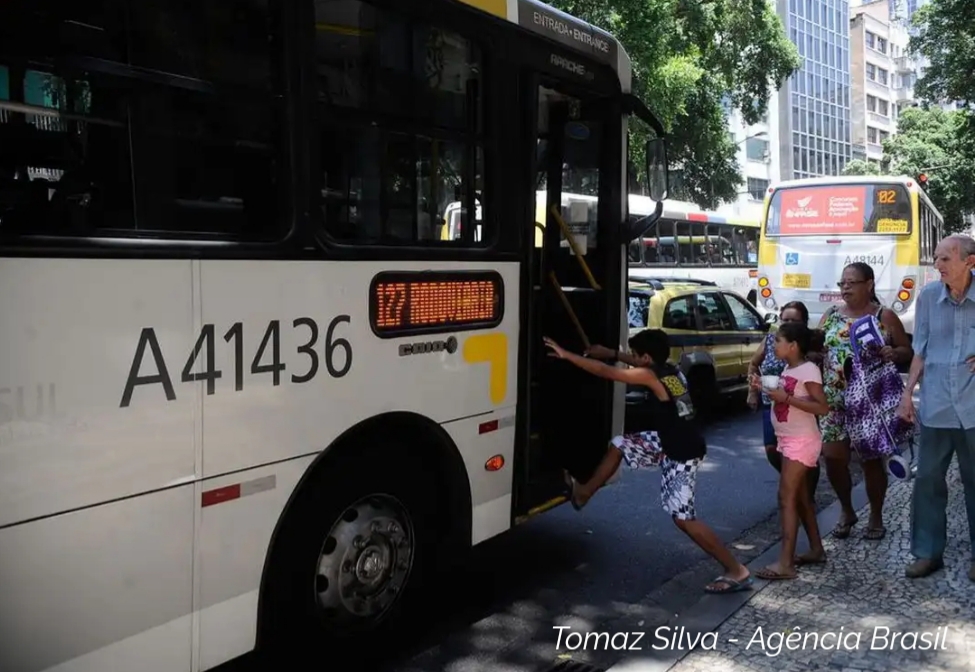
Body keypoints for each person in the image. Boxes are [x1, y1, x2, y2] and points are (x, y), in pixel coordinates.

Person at [546, 331, 753, 594]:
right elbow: (636, 364)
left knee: (683, 519)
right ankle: (584, 492)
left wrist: (567, 355)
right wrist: (611, 353)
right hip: (672, 438)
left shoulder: (650, 374)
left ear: (646, 357)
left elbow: (606, 373)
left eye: (634, 355)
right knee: (620, 444)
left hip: (681, 450)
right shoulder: (671, 369)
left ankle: (736, 570)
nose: (630, 359)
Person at [897, 234, 975, 580]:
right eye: (937, 258)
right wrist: (906, 395)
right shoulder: (928, 297)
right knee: (927, 479)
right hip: (936, 407)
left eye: (945, 259)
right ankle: (927, 553)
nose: (938, 265)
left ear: (969, 261)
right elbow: (920, 351)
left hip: (973, 408)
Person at [818, 262, 913, 540]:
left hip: (870, 404)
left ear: (868, 284)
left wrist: (894, 353)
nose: (845, 287)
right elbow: (817, 347)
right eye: (842, 283)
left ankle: (876, 515)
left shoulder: (884, 316)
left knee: (871, 462)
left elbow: (907, 351)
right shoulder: (832, 316)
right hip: (835, 400)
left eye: (851, 282)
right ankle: (847, 510)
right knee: (834, 459)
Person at [748, 322, 829, 579]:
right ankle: (816, 549)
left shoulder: (809, 370)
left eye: (777, 341)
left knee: (786, 499)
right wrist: (763, 387)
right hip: (789, 439)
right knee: (801, 498)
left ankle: (785, 564)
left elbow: (821, 407)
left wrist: (785, 398)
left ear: (792, 346)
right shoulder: (789, 368)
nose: (773, 345)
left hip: (801, 442)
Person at [747, 301, 821, 498]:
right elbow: (754, 364)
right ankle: (793, 481)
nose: (788, 324)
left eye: (794, 320)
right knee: (772, 450)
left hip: (800, 409)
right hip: (771, 404)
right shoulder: (772, 340)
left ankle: (806, 494)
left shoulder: (810, 346)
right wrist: (752, 391)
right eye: (784, 320)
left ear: (804, 323)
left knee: (805, 455)